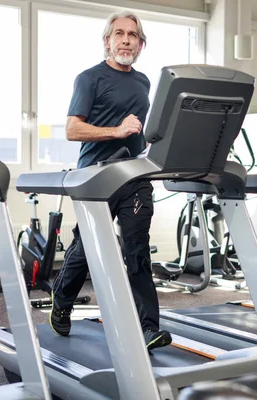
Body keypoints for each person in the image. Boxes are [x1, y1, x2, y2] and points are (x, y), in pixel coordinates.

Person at [49, 10, 172, 351]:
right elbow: (73, 129)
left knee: (137, 249)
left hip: (134, 175)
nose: (125, 40)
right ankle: (62, 299)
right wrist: (115, 131)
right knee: (87, 247)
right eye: (118, 33)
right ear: (107, 41)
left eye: (132, 35)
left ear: (141, 44)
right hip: (95, 175)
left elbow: (142, 131)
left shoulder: (144, 81)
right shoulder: (89, 78)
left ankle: (149, 329)